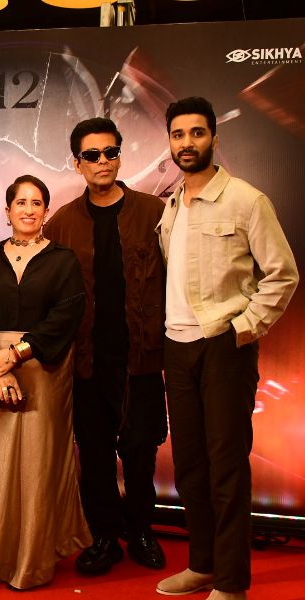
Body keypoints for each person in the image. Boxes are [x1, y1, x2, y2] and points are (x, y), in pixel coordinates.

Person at [155, 97, 298, 600]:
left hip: (223, 346)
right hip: (176, 347)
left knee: (227, 466)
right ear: (170, 142)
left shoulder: (246, 200)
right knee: (190, 466)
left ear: (214, 138)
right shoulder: (172, 203)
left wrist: (244, 328)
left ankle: (232, 583)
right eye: (178, 134)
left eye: (196, 133)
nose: (186, 143)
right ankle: (202, 565)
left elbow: (282, 274)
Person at [0, 175, 90, 590]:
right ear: (7, 210)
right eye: (21, 202)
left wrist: (16, 354)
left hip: (43, 371)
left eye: (36, 202)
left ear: (46, 211)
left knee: (35, 464)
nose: (28, 209)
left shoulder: (63, 260)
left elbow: (66, 318)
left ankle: (30, 560)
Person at [43, 117, 169, 576]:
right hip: (86, 362)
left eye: (110, 152)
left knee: (140, 451)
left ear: (119, 155)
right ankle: (102, 537)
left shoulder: (155, 213)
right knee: (94, 455)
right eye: (92, 155)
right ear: (77, 163)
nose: (103, 161)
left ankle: (141, 531)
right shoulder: (62, 223)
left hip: (141, 357)